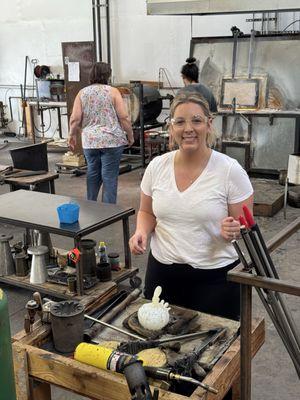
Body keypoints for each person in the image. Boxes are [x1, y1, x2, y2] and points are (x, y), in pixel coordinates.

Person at [129, 91, 253, 321]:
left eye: (196, 120)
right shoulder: (157, 167)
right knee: (157, 345)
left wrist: (234, 229)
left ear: (209, 123)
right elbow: (147, 211)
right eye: (180, 121)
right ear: (171, 127)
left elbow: (244, 223)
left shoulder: (229, 170)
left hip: (215, 279)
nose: (188, 128)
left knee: (218, 350)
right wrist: (141, 231)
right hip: (163, 275)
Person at [68, 62, 134, 204]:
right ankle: (108, 212)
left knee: (92, 173)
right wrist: (130, 135)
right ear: (108, 75)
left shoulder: (82, 93)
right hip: (112, 140)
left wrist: (71, 135)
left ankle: (91, 204)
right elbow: (124, 117)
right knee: (109, 176)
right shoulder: (113, 91)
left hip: (90, 141)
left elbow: (75, 118)